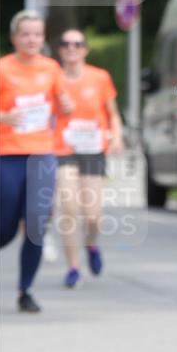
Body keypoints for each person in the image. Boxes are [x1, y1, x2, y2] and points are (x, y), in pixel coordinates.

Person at [0, 10, 73, 312]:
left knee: (37, 224)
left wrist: (66, 106)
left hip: (42, 154)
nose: (32, 39)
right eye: (25, 34)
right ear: (15, 38)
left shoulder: (52, 68)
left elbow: (62, 107)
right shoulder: (2, 69)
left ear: (43, 39)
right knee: (2, 228)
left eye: (37, 34)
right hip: (6, 154)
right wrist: (4, 116)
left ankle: (25, 290)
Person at [53, 29, 124, 287]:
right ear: (60, 49)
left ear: (85, 49)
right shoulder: (54, 78)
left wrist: (116, 136)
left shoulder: (99, 77)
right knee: (69, 208)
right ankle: (73, 267)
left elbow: (113, 113)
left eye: (77, 44)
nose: (71, 48)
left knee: (92, 215)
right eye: (66, 43)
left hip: (93, 148)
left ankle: (91, 244)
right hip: (63, 148)